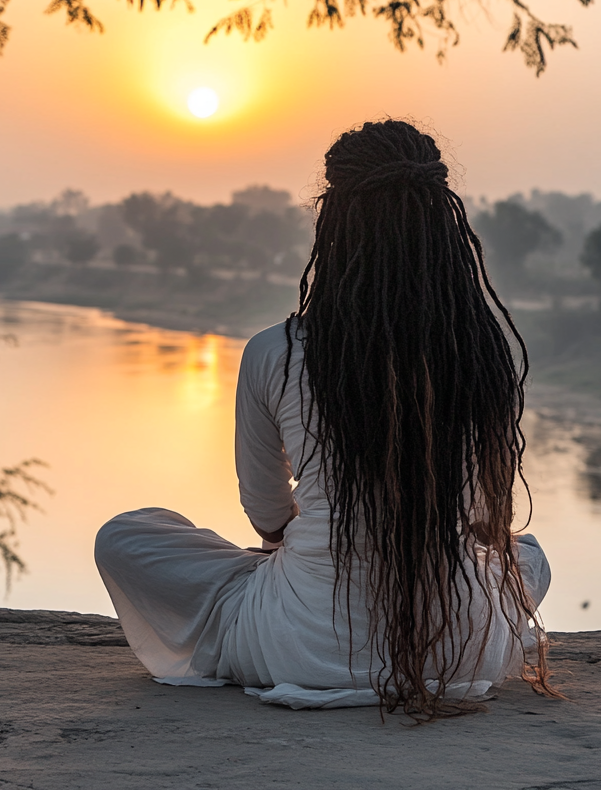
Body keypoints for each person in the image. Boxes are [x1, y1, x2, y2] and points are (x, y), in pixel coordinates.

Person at [96, 120, 553, 715]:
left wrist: (309, 551)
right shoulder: (481, 352)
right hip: (464, 648)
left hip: (302, 647)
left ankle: (298, 601)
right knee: (530, 554)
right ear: (443, 222)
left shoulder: (276, 351)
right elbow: (487, 523)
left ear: (333, 221)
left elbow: (267, 514)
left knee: (127, 535)